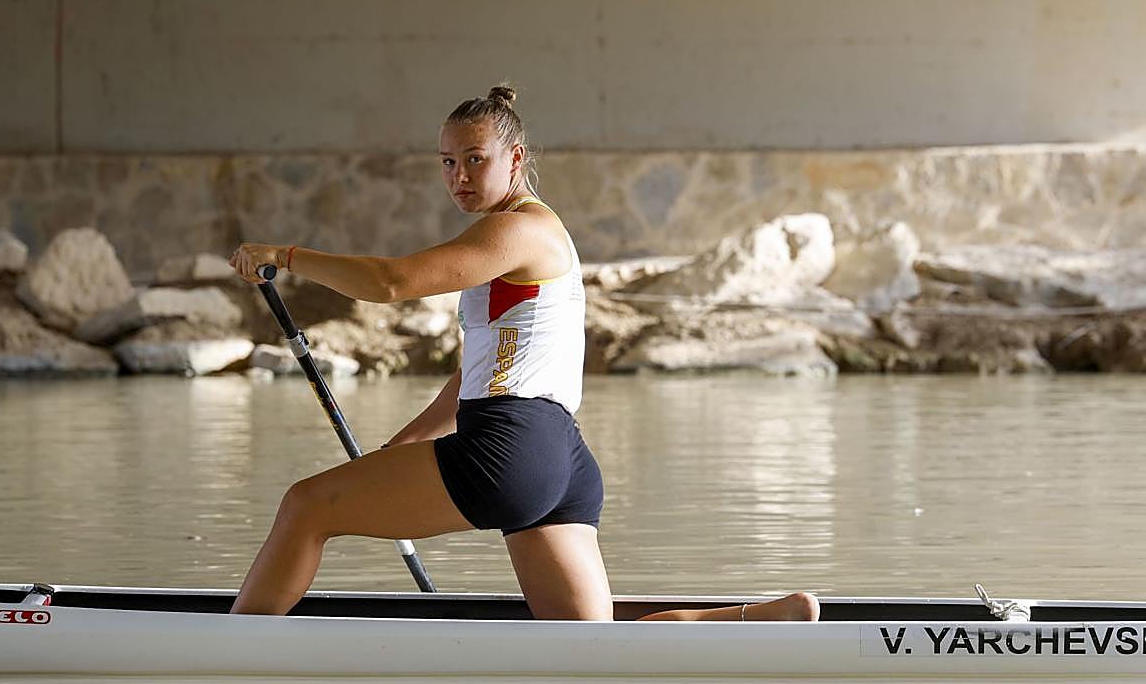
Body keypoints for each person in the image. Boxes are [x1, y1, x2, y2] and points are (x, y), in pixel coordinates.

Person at [228, 84, 818, 623]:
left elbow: (390, 283)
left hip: (508, 447)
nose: (459, 175)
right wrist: (413, 436)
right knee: (589, 647)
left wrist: (285, 254)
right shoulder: (520, 238)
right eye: (447, 162)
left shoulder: (519, 231)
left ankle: (230, 652)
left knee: (306, 506)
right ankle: (762, 620)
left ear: (516, 159)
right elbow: (478, 370)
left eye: (475, 159)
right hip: (560, 460)